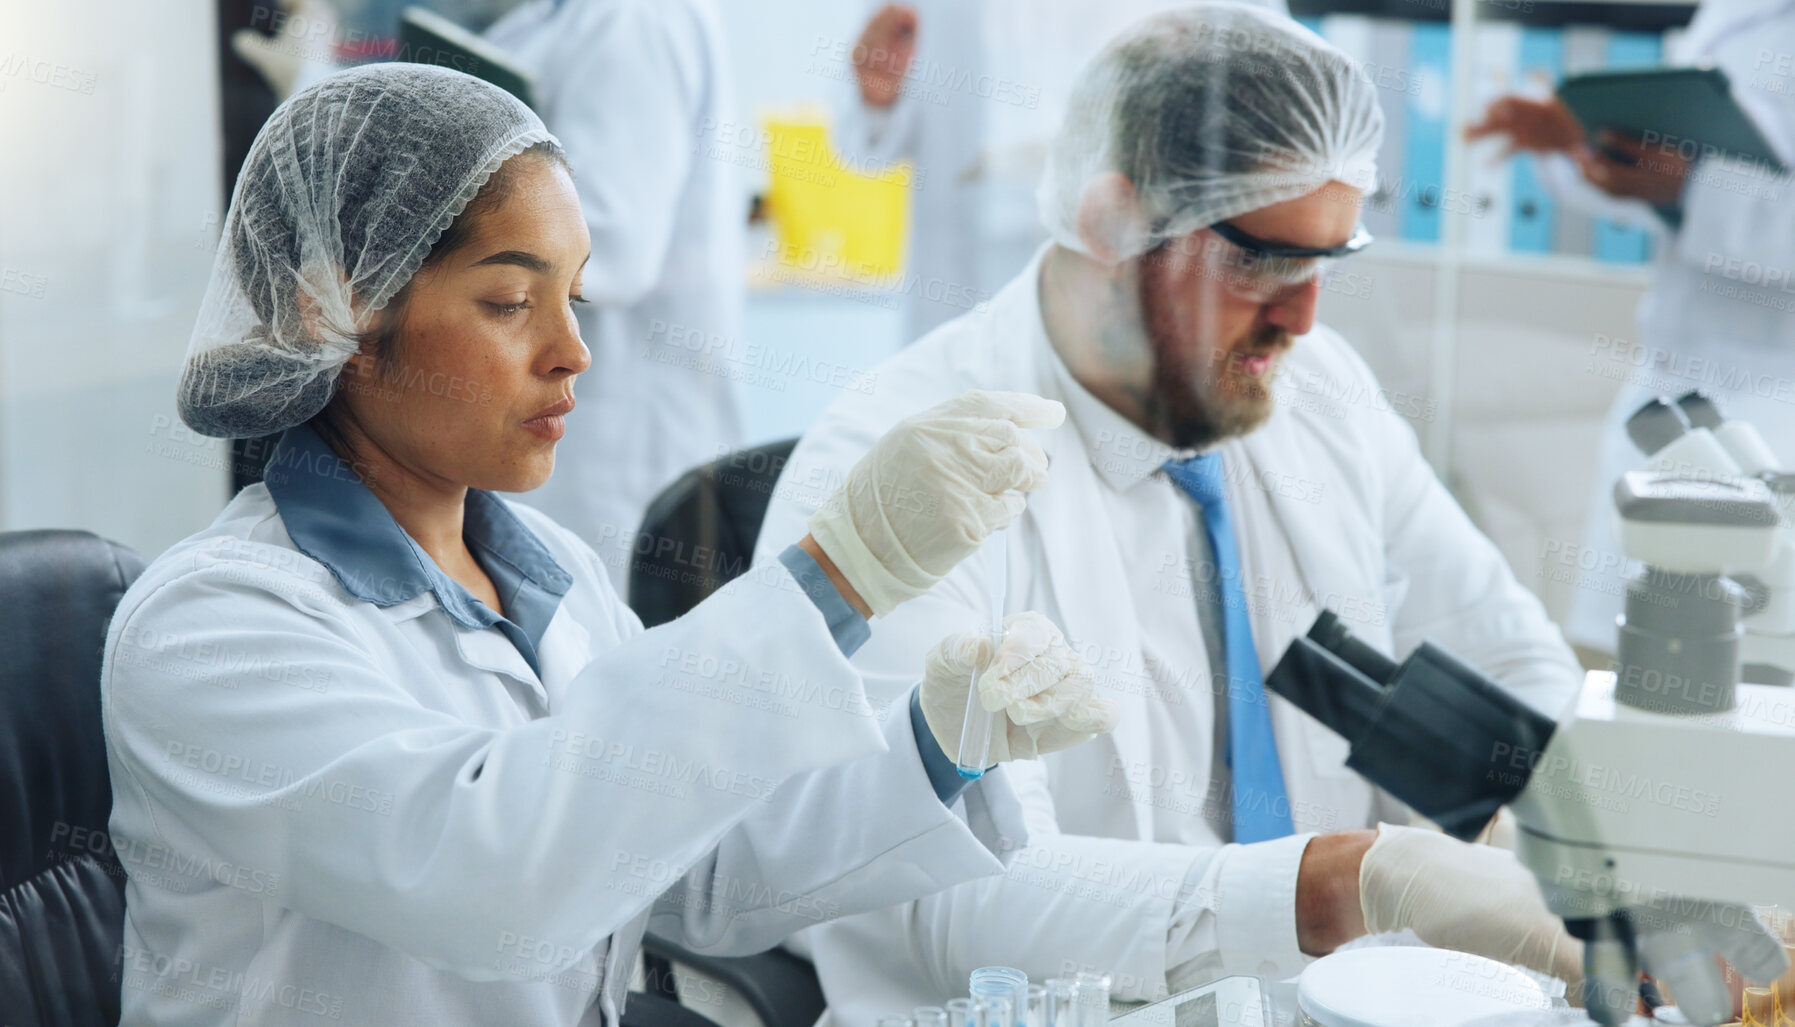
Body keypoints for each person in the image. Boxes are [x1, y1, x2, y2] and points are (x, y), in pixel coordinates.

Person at [108, 63, 1118, 1026]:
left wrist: (941, 741)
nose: (573, 351)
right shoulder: (214, 627)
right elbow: (494, 879)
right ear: (337, 313)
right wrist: (838, 575)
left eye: (575, 298)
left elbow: (692, 866)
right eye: (511, 303)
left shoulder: (549, 575)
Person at [758, 7, 1599, 1020]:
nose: (1302, 317)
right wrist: (1338, 884)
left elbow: (1512, 655)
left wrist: (1533, 825)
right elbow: (945, 897)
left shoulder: (1319, 390)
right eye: (1262, 262)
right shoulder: (907, 472)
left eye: (1325, 262)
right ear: (1112, 222)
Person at [1467, 0, 1795, 655]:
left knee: (1744, 663)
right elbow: (1671, 185)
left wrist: (1692, 188)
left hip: (1773, 399)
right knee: (1624, 658)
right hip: (1669, 386)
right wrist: (1588, 145)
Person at [480, 0, 749, 587]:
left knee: (597, 616)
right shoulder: (570, 17)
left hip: (619, 428)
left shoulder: (634, 19)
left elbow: (614, 246)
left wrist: (450, 243)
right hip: (573, 416)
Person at [829, 0, 1286, 342]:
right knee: (964, 426)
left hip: (1138, 280)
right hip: (961, 287)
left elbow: (1278, 114)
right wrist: (875, 91)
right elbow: (862, 144)